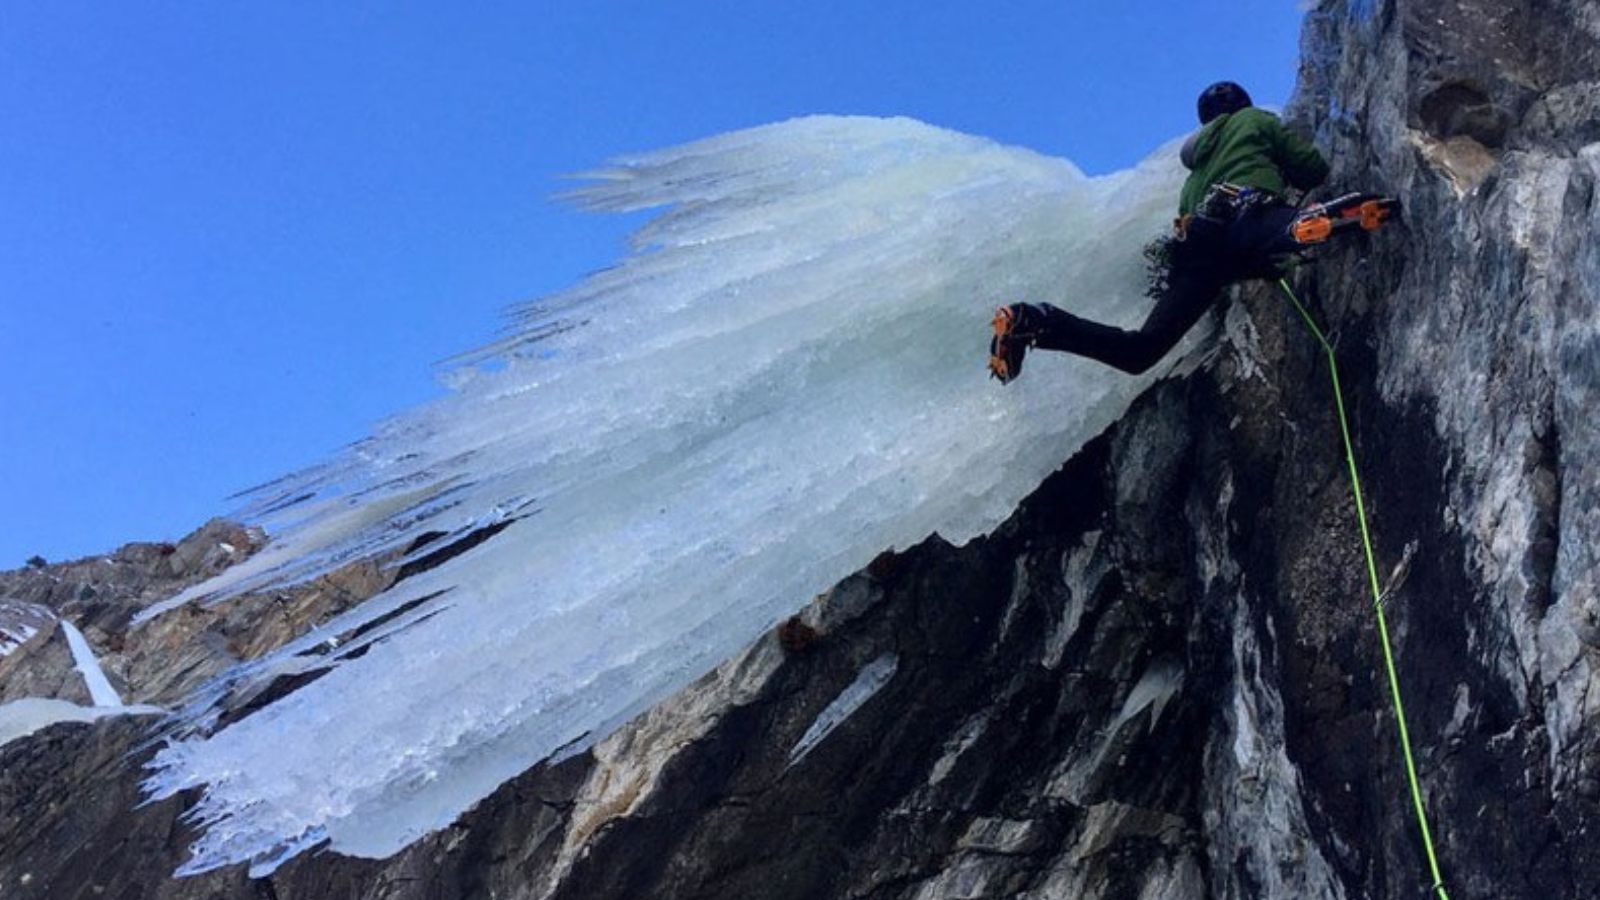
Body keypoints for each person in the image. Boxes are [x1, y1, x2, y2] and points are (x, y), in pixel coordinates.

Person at [989, 81, 1336, 382]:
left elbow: (1193, 225)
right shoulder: (1254, 119)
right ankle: (1315, 223)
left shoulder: (1193, 178)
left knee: (1139, 353)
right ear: (1242, 104)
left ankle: (1034, 320)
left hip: (1199, 251)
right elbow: (1312, 168)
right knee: (1273, 229)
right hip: (1245, 217)